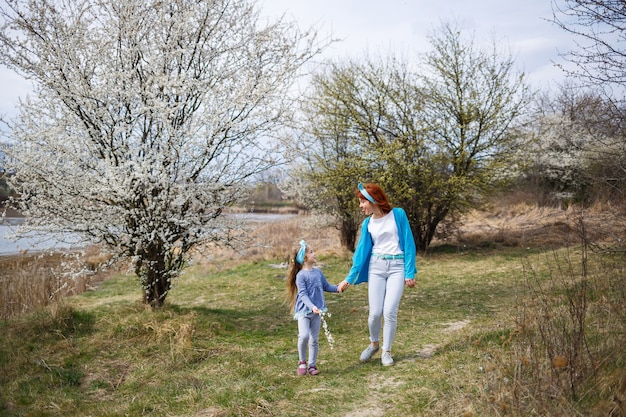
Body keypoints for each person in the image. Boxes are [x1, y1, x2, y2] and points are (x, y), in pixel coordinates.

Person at [338, 183, 417, 366]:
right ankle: (374, 344)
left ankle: (386, 352)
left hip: (397, 267)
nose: (360, 206)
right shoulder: (367, 224)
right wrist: (349, 279)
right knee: (375, 313)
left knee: (390, 311)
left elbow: (409, 243)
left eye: (362, 201)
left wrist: (409, 272)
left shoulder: (398, 214)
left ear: (373, 200)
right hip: (376, 268)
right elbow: (360, 255)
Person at [286, 239, 341, 376]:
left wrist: (339, 288)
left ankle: (312, 364)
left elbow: (327, 286)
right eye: (311, 252)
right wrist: (312, 307)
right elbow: (303, 294)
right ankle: (302, 361)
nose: (314, 254)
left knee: (314, 339)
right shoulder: (300, 276)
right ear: (305, 258)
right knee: (304, 336)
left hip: (317, 311)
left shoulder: (318, 273)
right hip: (304, 311)